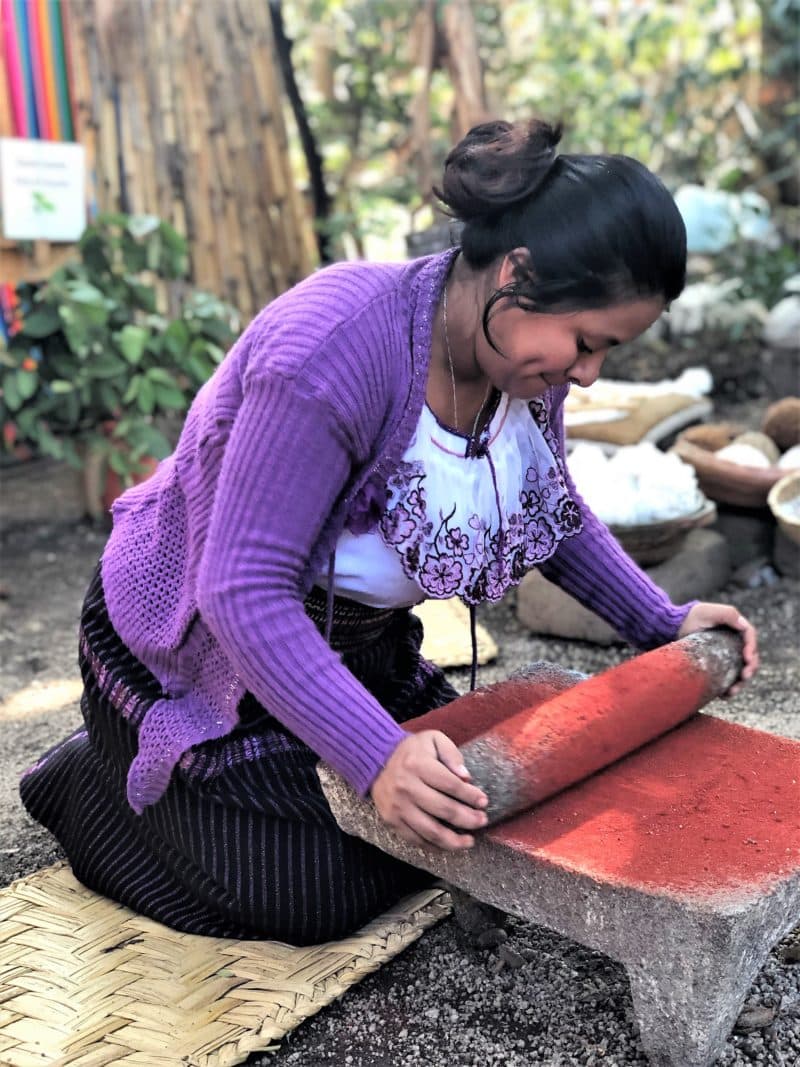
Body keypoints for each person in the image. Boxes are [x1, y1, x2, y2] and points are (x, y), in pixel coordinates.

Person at [20, 119, 758, 945]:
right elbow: (240, 590)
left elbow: (547, 508)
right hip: (195, 649)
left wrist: (662, 623)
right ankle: (92, 783)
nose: (588, 372)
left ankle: (217, 785)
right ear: (518, 275)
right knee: (317, 890)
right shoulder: (334, 350)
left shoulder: (522, 362)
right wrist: (376, 756)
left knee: (469, 812)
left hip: (347, 644)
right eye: (587, 343)